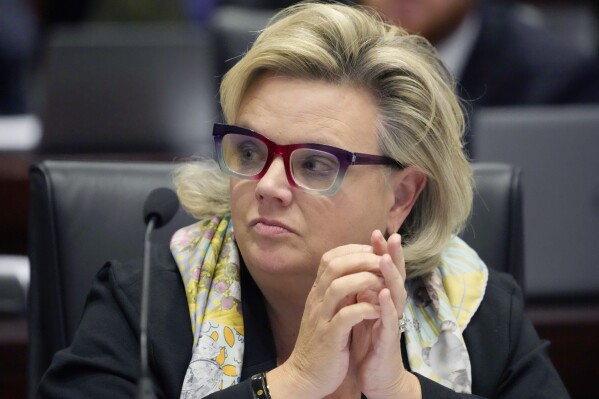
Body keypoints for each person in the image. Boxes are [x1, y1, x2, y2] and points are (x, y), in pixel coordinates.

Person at [37, 2, 568, 398]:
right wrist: (291, 383)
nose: (267, 185)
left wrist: (401, 391)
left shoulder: (476, 309)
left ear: (401, 195)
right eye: (248, 151)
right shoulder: (148, 303)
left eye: (314, 164)